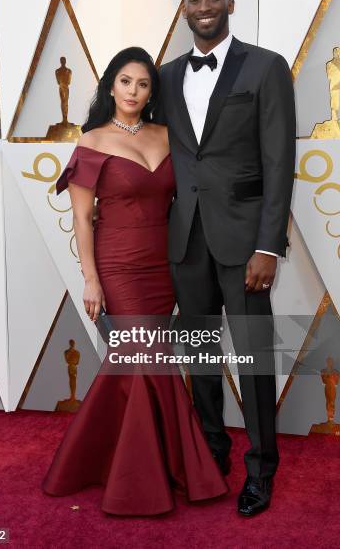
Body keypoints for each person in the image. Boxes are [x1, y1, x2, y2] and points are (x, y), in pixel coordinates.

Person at [42, 47, 227, 516]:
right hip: (118, 265)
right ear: (110, 86)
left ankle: (120, 459)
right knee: (143, 357)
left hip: (165, 265)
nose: (133, 91)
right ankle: (150, 476)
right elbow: (83, 218)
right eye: (125, 82)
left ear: (151, 93)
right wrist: (91, 279)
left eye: (143, 85)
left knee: (149, 361)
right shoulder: (92, 141)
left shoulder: (168, 135)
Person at [156, 0, 296, 517]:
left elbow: (279, 163)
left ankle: (261, 470)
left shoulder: (265, 67)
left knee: (255, 359)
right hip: (185, 240)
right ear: (184, 9)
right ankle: (211, 453)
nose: (206, 6)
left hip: (245, 245)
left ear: (231, 4)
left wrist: (269, 246)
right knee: (200, 357)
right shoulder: (165, 77)